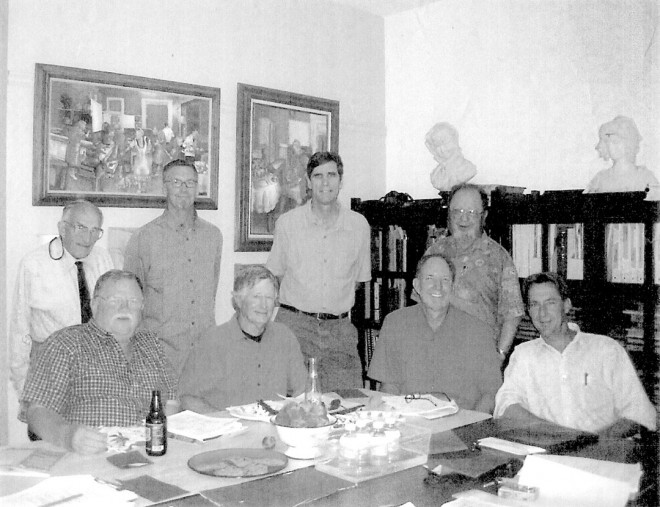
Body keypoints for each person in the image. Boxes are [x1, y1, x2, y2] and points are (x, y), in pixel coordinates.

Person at [19, 270, 178, 454]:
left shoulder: (152, 345)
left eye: (133, 302)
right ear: (94, 305)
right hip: (92, 457)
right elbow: (37, 410)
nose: (124, 308)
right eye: (114, 301)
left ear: (142, 307)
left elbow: (172, 402)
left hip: (152, 454)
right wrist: (68, 436)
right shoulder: (65, 344)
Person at [494, 272, 656, 436]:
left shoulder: (606, 350)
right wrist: (557, 435)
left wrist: (592, 443)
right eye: (535, 304)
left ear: (566, 305)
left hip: (601, 454)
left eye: (550, 303)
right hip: (548, 452)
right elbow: (506, 405)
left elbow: (639, 413)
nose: (542, 314)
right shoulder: (523, 355)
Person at [266, 151, 371, 392]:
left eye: (332, 175)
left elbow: (357, 280)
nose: (325, 182)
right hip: (295, 329)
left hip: (339, 332)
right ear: (308, 181)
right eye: (318, 175)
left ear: (341, 180)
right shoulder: (288, 224)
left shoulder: (359, 225)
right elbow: (276, 276)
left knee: (346, 404)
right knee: (293, 405)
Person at [367, 253, 502, 412]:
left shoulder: (479, 331)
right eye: (429, 279)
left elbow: (491, 393)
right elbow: (389, 386)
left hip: (460, 425)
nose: (438, 287)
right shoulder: (395, 323)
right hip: (410, 422)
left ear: (452, 287)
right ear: (417, 286)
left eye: (445, 280)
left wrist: (470, 426)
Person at [124, 160, 223, 376]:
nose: (183, 189)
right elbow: (131, 302)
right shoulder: (144, 238)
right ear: (164, 187)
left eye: (190, 183)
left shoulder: (213, 236)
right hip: (159, 356)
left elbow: (211, 291)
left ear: (197, 188)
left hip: (203, 353)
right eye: (176, 182)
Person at [9, 200, 114, 396]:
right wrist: (24, 388)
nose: (88, 238)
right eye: (81, 228)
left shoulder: (103, 258)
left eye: (95, 230)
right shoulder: (34, 264)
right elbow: (20, 329)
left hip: (95, 376)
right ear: (62, 228)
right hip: (50, 375)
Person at [179, 265, 307, 412]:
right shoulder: (213, 342)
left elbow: (302, 393)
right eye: (256, 297)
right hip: (227, 430)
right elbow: (187, 397)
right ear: (239, 301)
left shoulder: (285, 338)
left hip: (274, 428)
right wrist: (221, 422)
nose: (264, 305)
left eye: (269, 298)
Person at [424, 183, 524, 360]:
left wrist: (499, 356)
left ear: (483, 216)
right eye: (457, 212)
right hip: (434, 354)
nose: (463, 219)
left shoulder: (499, 257)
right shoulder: (433, 252)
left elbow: (512, 313)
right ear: (449, 216)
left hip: (479, 358)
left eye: (471, 212)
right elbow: (419, 304)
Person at [584, 116, 658, 193]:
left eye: (616, 142)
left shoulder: (645, 177)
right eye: (610, 142)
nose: (614, 147)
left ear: (630, 143)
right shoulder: (600, 178)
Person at [426, 122, 477, 191]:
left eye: (445, 142)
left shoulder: (468, 168)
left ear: (455, 141)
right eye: (438, 145)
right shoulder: (436, 174)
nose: (442, 149)